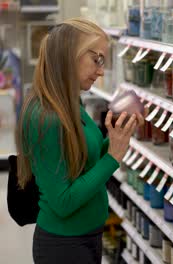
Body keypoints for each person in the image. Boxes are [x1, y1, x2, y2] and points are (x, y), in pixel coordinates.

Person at [15, 18, 143, 263]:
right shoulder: (46, 116)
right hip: (64, 247)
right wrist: (113, 157)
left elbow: (86, 160)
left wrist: (119, 136)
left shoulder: (72, 101)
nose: (101, 71)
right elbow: (63, 202)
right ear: (69, 55)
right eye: (97, 60)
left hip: (87, 236)